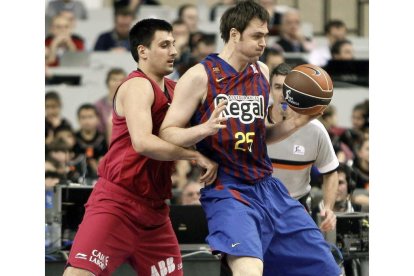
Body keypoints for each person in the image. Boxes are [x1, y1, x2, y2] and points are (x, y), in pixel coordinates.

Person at [159, 1, 340, 275]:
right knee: (248, 270)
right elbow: (167, 132)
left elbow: (260, 135)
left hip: (267, 187)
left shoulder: (262, 72)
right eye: (257, 36)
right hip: (228, 189)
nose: (263, 42)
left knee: (328, 269)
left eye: (265, 35)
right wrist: (204, 129)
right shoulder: (199, 76)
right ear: (234, 34)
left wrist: (298, 121)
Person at [63, 18, 218, 276]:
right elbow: (143, 142)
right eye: (165, 45)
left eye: (174, 44)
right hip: (117, 204)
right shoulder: (137, 86)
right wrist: (192, 155)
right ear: (142, 51)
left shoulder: (176, 90)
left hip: (155, 212)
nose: (174, 52)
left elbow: (199, 130)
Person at [266, 63, 339, 229]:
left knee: (319, 255)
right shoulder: (255, 122)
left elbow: (331, 172)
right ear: (269, 90)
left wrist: (328, 207)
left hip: (296, 205)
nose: (284, 94)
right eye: (278, 87)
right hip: (259, 204)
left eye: (288, 88)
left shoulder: (316, 129)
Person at [73, 104, 108, 181]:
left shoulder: (103, 139)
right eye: (83, 117)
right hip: (75, 178)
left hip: (98, 179)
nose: (87, 121)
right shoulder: (72, 138)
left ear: (98, 119)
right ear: (78, 119)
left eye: (90, 117)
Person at [94, 68, 127, 136]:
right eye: (114, 80)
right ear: (107, 82)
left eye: (121, 80)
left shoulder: (132, 103)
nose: (118, 83)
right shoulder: (98, 105)